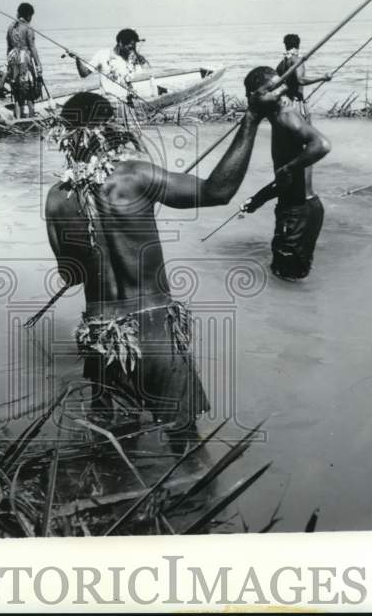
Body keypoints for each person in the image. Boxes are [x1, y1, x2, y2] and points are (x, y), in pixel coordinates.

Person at [44, 81, 288, 451]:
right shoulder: (134, 176)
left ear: (65, 137)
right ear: (109, 129)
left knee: (118, 448)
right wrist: (252, 118)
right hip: (152, 331)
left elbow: (70, 275)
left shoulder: (55, 199)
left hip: (101, 338)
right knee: (186, 448)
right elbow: (217, 192)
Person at [238, 67, 333, 281]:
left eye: (251, 93)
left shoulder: (285, 117)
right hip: (305, 208)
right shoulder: (284, 116)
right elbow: (286, 180)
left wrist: (288, 168)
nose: (248, 99)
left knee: (285, 280)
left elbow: (322, 145)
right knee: (292, 278)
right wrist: (259, 198)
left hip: (297, 212)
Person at [275, 34, 331, 120]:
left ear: (285, 45)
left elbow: (277, 80)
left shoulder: (283, 62)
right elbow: (300, 80)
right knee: (304, 131)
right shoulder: (296, 60)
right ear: (298, 45)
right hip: (295, 105)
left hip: (284, 104)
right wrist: (322, 77)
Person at [3, 2, 43, 118]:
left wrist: (9, 65)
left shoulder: (11, 27)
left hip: (12, 59)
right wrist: (38, 65)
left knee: (16, 90)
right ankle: (31, 117)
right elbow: (32, 47)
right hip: (24, 59)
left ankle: (18, 117)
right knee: (29, 89)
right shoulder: (28, 28)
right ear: (29, 15)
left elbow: (8, 47)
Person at [73, 28, 150, 88]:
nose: (131, 51)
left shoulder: (132, 59)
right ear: (120, 43)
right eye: (129, 48)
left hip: (130, 101)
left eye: (133, 48)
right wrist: (77, 59)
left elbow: (134, 81)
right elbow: (84, 73)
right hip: (110, 102)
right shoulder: (103, 54)